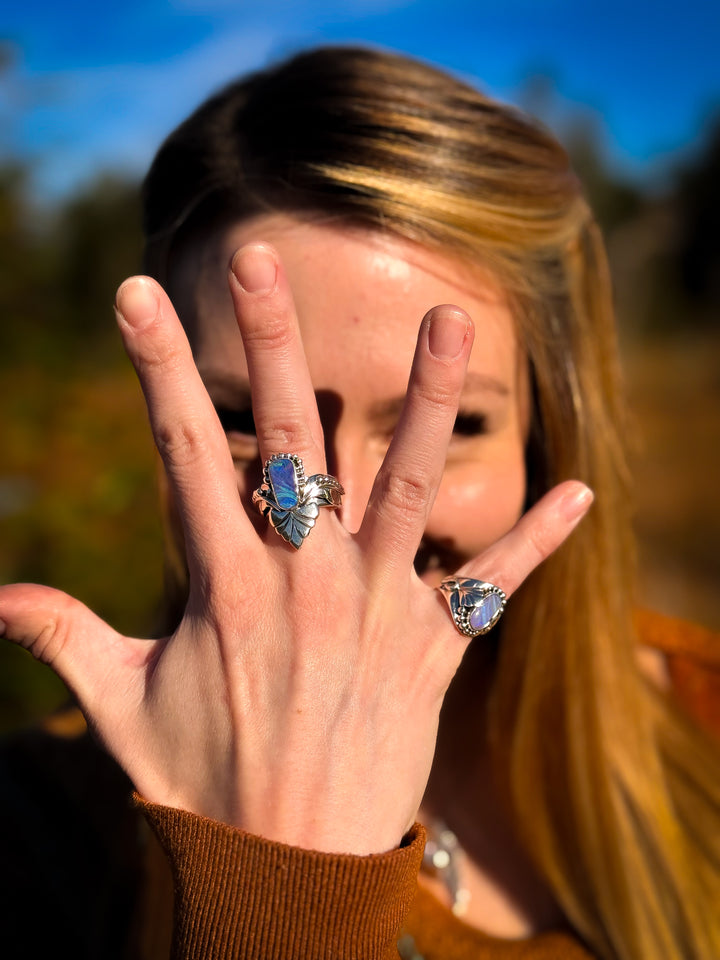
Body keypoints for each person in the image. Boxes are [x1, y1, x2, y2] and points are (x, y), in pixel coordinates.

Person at [0, 45, 718, 960]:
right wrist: (275, 884)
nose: (337, 531)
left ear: (547, 441)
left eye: (452, 425)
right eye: (245, 419)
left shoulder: (702, 721)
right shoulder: (37, 831)